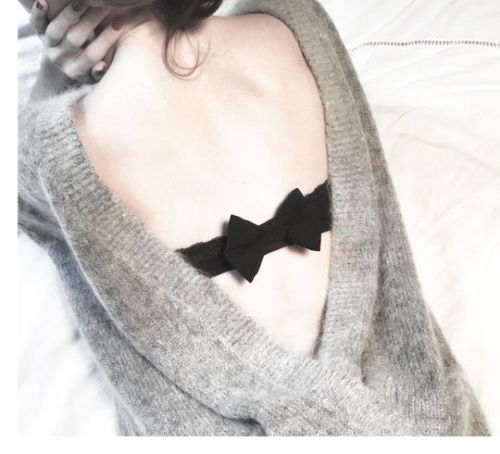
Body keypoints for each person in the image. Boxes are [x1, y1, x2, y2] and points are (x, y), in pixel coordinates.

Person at [18, 0, 490, 436]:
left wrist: (56, 68)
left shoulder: (51, 149)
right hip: (439, 425)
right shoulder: (295, 23)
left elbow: (25, 188)